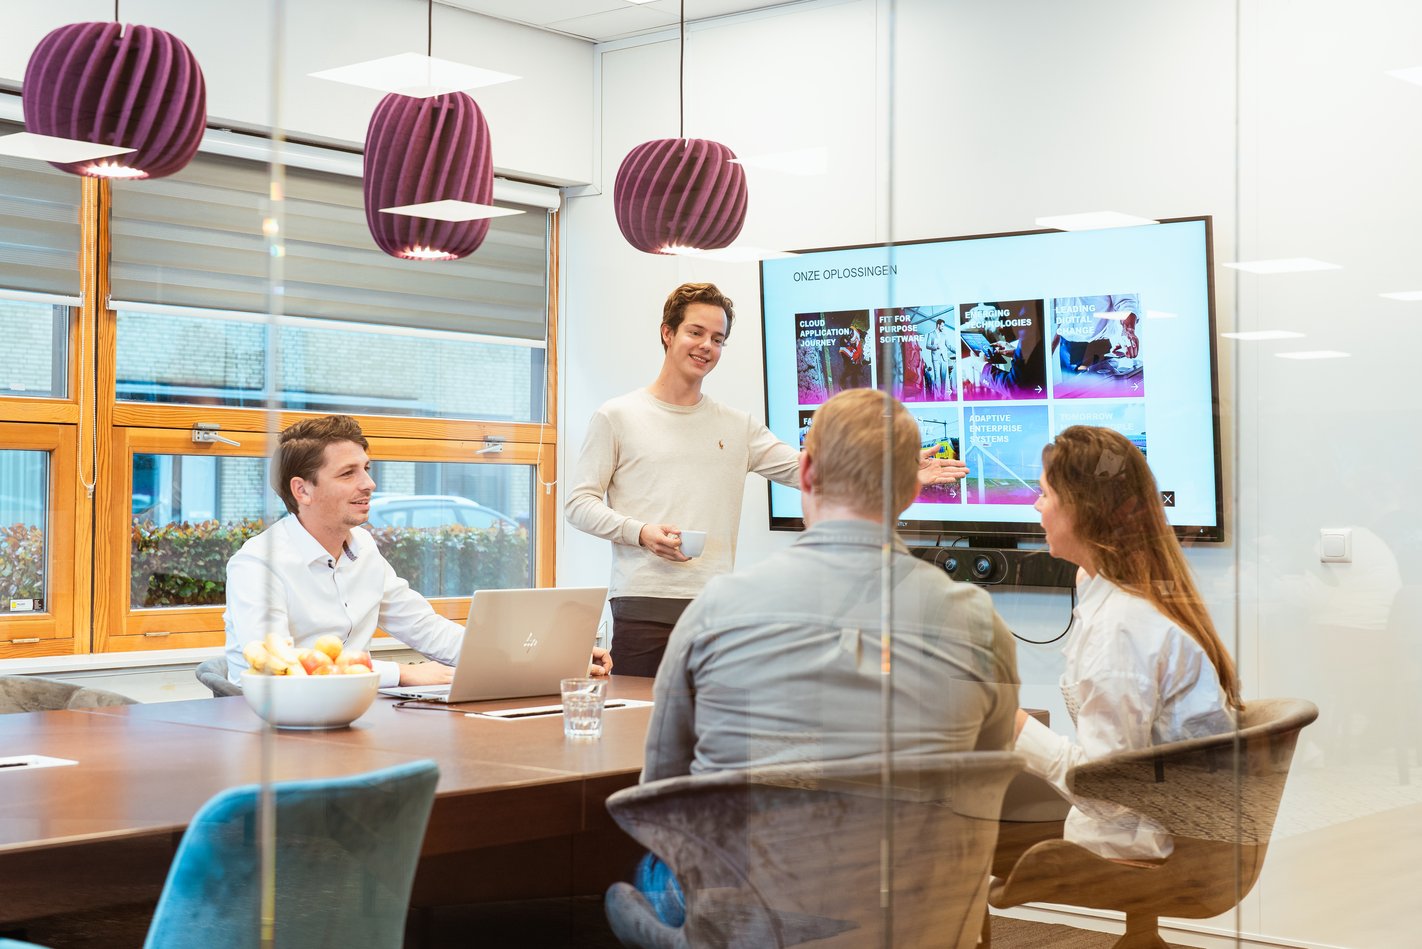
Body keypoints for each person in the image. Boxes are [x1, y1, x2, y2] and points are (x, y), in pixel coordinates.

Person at [633, 389, 1019, 924]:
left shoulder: (717, 607)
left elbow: (663, 790)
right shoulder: (978, 621)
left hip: (753, 921)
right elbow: (981, 780)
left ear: (806, 472)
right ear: (913, 489)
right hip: (917, 915)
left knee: (639, 879)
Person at [566, 283, 968, 677]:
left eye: (718, 339)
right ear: (667, 333)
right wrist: (641, 533)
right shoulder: (617, 416)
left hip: (716, 608)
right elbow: (579, 504)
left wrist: (896, 465)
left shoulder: (736, 425)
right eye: (696, 332)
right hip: (643, 604)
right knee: (637, 716)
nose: (706, 346)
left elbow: (808, 470)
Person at [225, 415, 610, 685]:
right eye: (348, 473)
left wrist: (545, 660)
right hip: (271, 730)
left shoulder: (363, 549)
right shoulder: (258, 564)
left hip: (350, 716)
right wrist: (403, 673)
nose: (369, 484)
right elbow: (278, 666)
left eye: (366, 468)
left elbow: (426, 628)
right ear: (302, 490)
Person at [1011, 425, 1240, 861]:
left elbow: (1109, 796)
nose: (1036, 506)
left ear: (1083, 510)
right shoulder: (1125, 598)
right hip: (1169, 837)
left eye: (1044, 494)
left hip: (1141, 853)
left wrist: (1015, 728)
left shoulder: (1121, 627)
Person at [922, 317, 953, 399]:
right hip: (936, 358)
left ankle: (942, 394)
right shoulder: (931, 334)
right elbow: (927, 345)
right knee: (937, 377)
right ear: (938, 325)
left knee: (943, 377)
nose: (943, 327)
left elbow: (949, 346)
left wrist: (957, 351)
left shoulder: (944, 335)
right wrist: (935, 346)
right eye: (942, 326)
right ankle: (938, 395)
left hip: (944, 358)